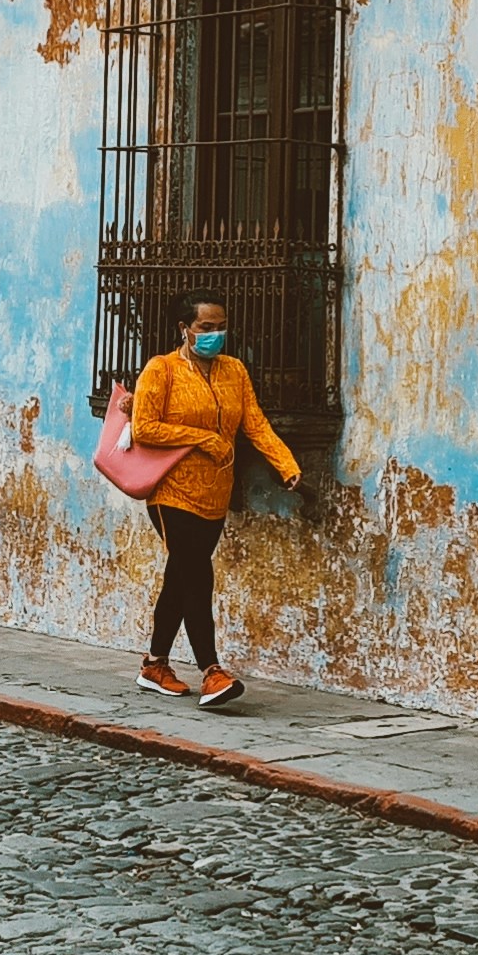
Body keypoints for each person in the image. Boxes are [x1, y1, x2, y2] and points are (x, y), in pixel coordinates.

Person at [124, 292, 299, 709]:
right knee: (197, 576)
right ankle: (212, 672)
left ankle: (154, 664)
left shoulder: (234, 371)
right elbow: (145, 427)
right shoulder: (161, 369)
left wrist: (285, 464)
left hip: (214, 495)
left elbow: (255, 425)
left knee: (180, 577)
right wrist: (203, 438)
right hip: (171, 491)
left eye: (220, 327)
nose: (215, 335)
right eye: (206, 327)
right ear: (184, 329)